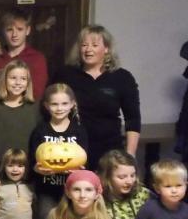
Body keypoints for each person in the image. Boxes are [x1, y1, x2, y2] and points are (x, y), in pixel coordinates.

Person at [53, 24, 141, 168]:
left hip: (109, 150)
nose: (88, 50)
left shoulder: (122, 78)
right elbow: (49, 108)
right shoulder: (65, 74)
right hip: (70, 148)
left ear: (106, 49)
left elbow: (133, 118)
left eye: (94, 45)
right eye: (84, 45)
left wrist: (130, 155)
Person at [28, 83, 89, 219]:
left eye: (64, 103)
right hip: (46, 188)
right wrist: (38, 169)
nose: (59, 108)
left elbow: (84, 159)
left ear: (72, 104)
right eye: (54, 104)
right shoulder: (40, 131)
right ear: (46, 106)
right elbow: (33, 161)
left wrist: (79, 171)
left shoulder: (78, 131)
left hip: (72, 189)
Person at [0, 59, 40, 191]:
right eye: (13, 78)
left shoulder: (34, 108)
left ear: (28, 83)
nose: (18, 82)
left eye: (23, 79)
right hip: (3, 173)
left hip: (31, 173)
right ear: (5, 80)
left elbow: (40, 143)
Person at [0, 8, 48, 100]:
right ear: (3, 31)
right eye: (9, 30)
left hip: (27, 110)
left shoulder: (37, 58)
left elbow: (37, 92)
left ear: (28, 30)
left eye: (20, 29)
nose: (14, 34)